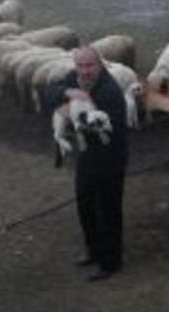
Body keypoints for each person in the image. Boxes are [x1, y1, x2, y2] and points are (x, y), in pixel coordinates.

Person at [47, 46, 129, 281]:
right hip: (86, 158)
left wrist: (73, 119)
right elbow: (49, 93)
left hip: (109, 159)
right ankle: (93, 252)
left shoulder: (109, 92)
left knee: (109, 212)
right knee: (86, 208)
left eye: (89, 65)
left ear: (100, 64)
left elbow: (104, 130)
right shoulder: (74, 78)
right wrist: (70, 92)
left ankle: (111, 263)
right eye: (80, 65)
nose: (84, 71)